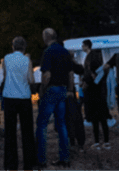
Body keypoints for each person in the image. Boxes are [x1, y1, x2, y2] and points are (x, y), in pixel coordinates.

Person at [35, 28, 78, 168]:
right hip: (63, 90)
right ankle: (64, 158)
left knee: (42, 124)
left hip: (51, 89)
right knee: (61, 124)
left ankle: (41, 160)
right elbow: (71, 73)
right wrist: (70, 90)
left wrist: (42, 90)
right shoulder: (65, 51)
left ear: (46, 37)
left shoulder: (48, 52)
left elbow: (46, 74)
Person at [0, 36, 36, 170]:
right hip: (24, 97)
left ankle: (10, 163)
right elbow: (31, 79)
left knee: (10, 131)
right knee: (27, 131)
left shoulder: (6, 58)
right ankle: (29, 163)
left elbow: (5, 75)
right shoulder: (27, 60)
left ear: (13, 46)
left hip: (10, 97)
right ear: (24, 47)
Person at [81, 40, 111, 150]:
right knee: (102, 119)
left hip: (92, 94)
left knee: (95, 119)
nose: (82, 47)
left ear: (87, 45)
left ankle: (98, 143)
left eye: (83, 45)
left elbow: (88, 74)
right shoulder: (95, 57)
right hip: (100, 94)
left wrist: (85, 83)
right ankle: (106, 142)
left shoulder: (90, 58)